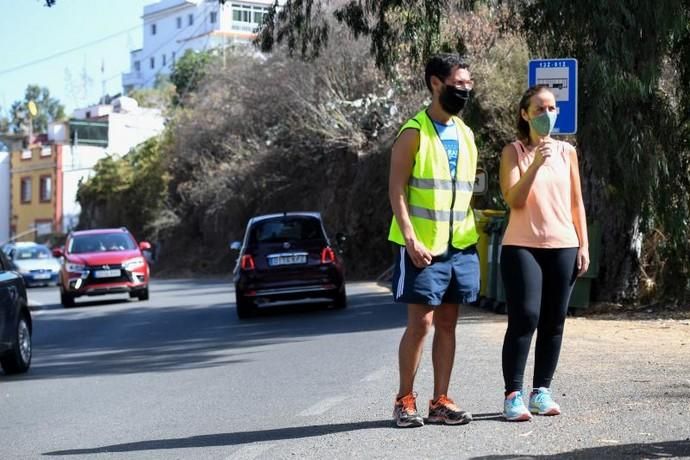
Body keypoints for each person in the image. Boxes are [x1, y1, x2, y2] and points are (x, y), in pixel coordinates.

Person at [388, 53, 480, 428]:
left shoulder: (465, 132)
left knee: (448, 323)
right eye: (459, 85)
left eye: (469, 85)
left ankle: (440, 400)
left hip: (460, 244)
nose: (465, 91)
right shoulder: (413, 132)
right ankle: (404, 399)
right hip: (422, 245)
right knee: (421, 323)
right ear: (435, 83)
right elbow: (396, 189)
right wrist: (410, 237)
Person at [498, 84, 590, 421]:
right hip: (522, 246)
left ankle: (541, 391)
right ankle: (513, 395)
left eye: (552, 109)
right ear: (525, 114)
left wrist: (584, 244)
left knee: (554, 322)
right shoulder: (514, 151)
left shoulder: (568, 152)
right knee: (525, 318)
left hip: (563, 245)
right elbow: (515, 200)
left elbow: (577, 202)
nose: (547, 115)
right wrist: (536, 163)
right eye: (539, 109)